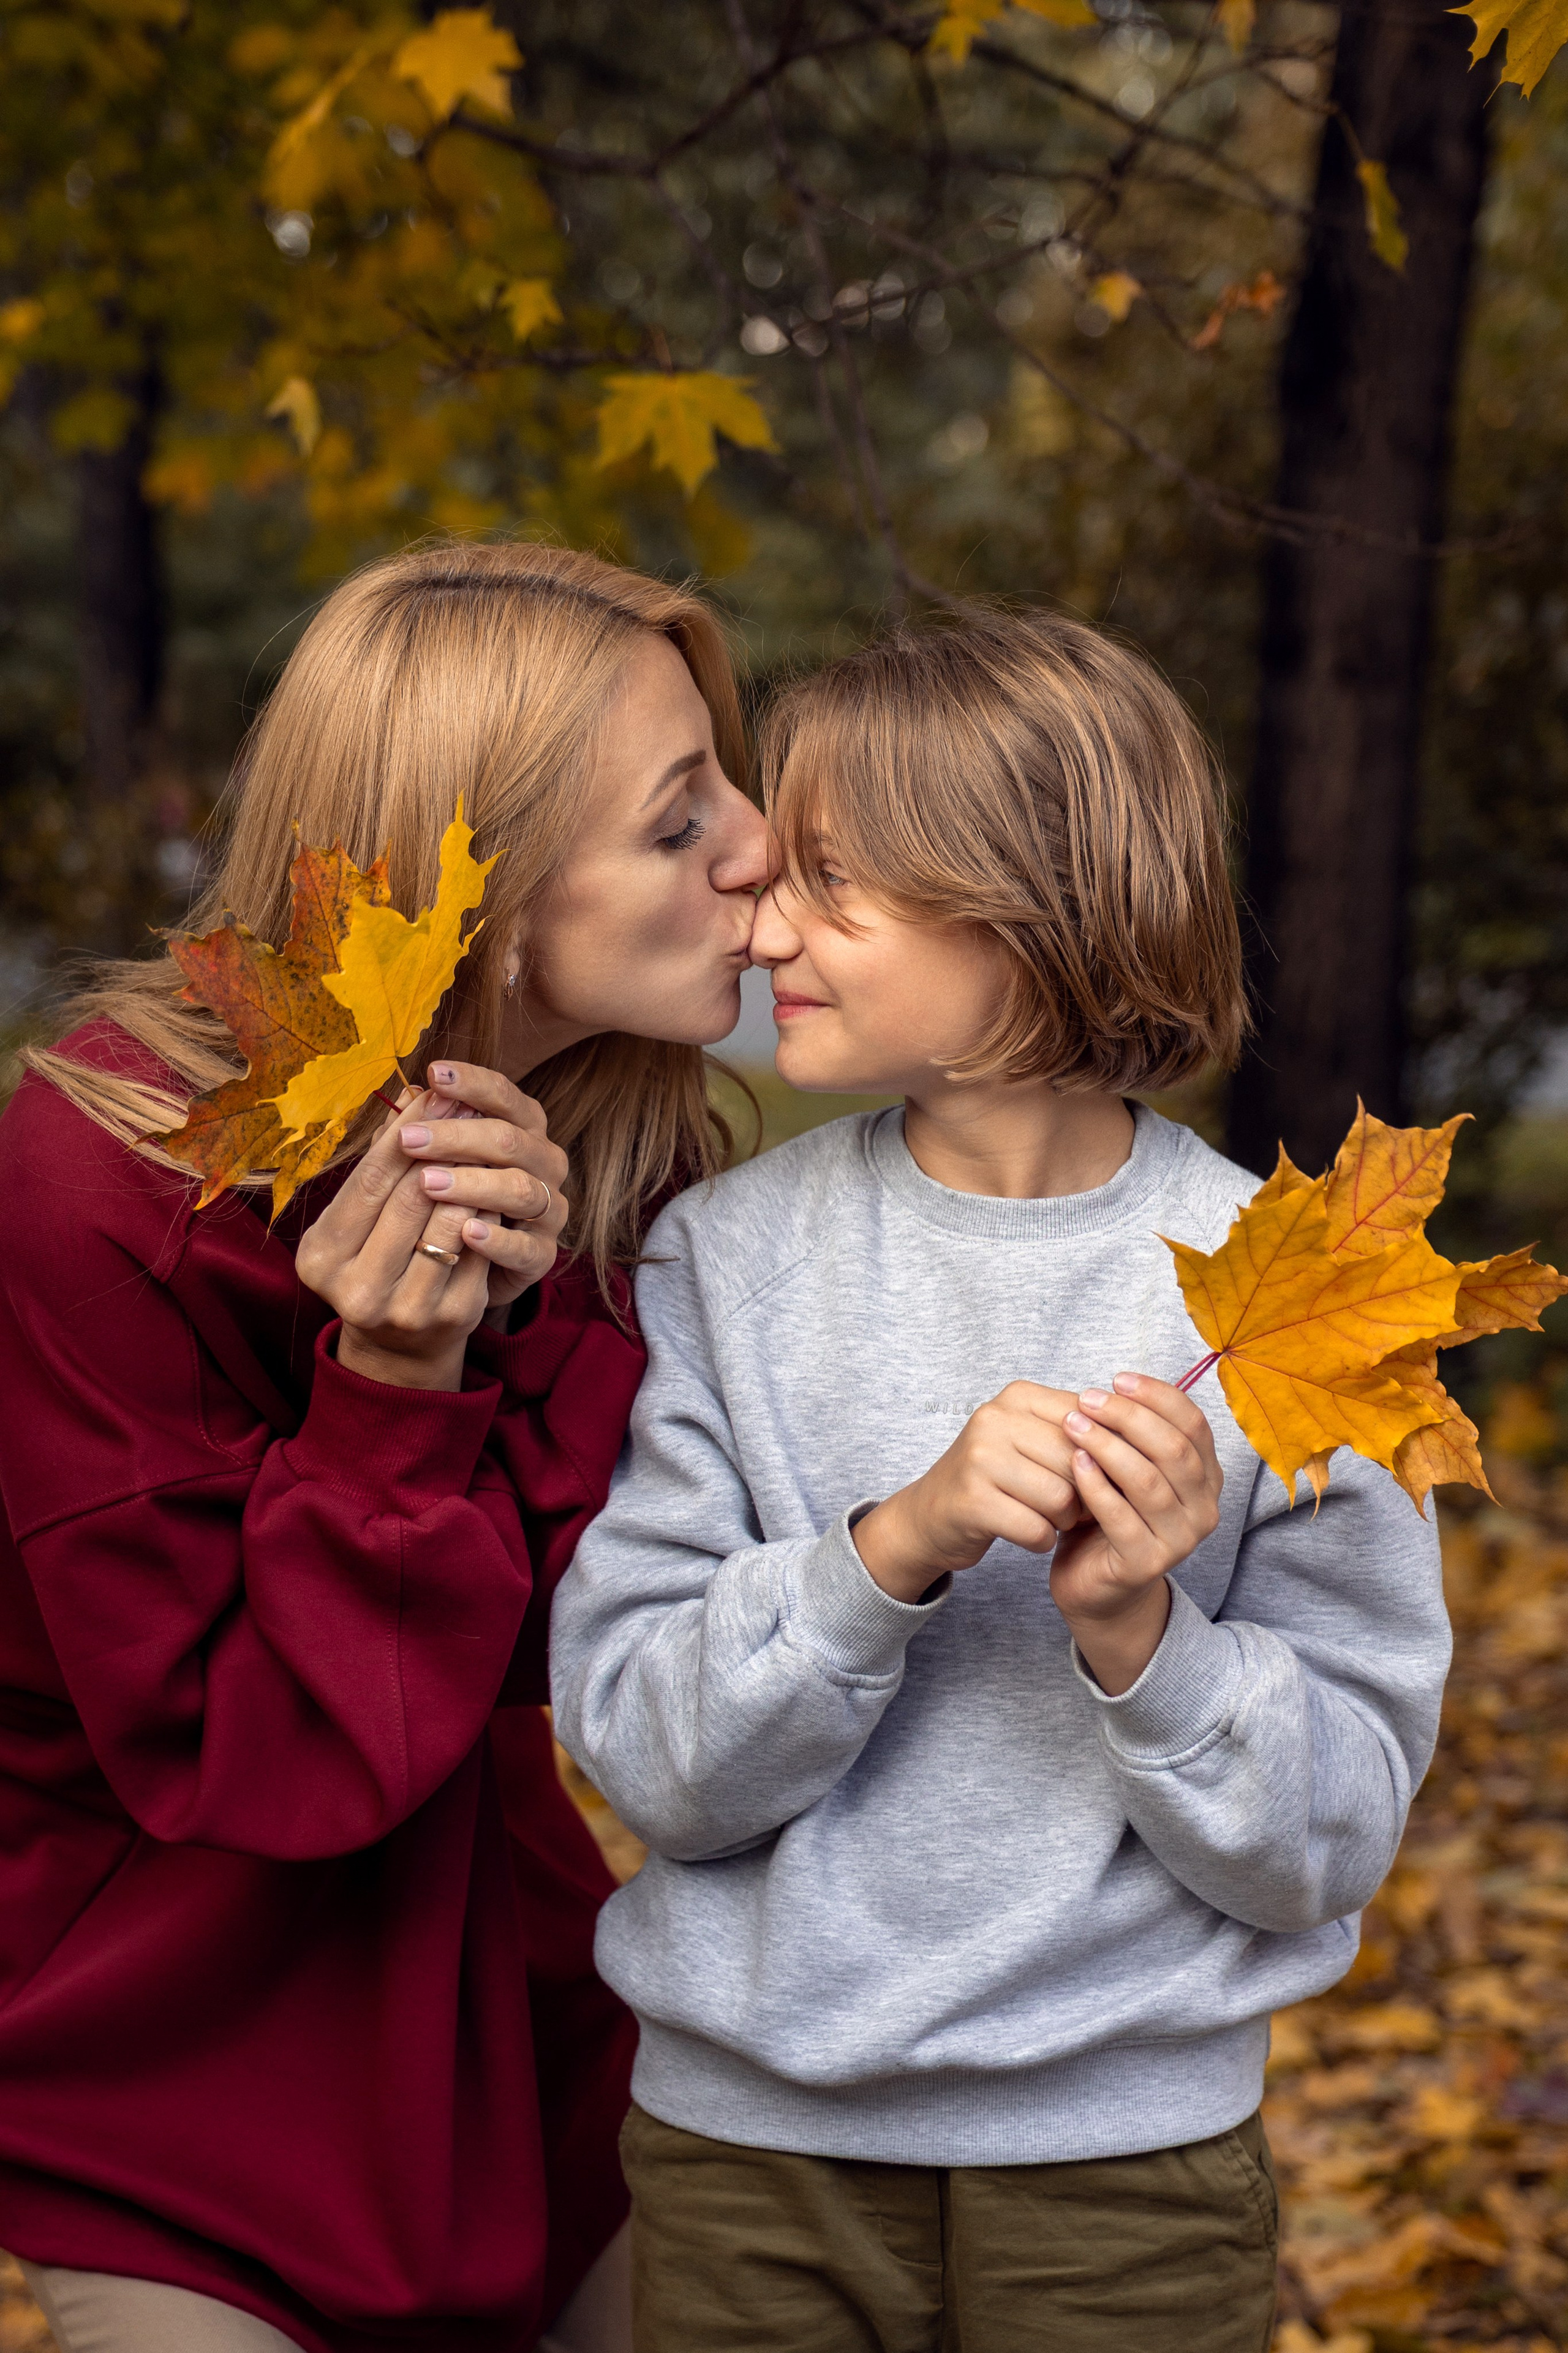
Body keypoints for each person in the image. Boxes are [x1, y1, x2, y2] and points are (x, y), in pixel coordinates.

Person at [550, 610, 1452, 2353]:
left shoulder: (1291, 1296)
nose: (766, 916)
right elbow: (651, 1753)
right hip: (754, 2159)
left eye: (834, 881)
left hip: (1130, 2172)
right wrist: (889, 1550)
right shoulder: (721, 1264)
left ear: (1027, 912)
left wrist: (1141, 1636)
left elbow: (1329, 1838)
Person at [0, 539, 769, 2353]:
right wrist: (394, 1384)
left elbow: (597, 1649)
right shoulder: (97, 1185)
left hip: (517, 2027)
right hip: (167, 2067)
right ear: (483, 900)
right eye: (680, 822)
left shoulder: (638, 1165)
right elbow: (256, 1762)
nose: (761, 842)